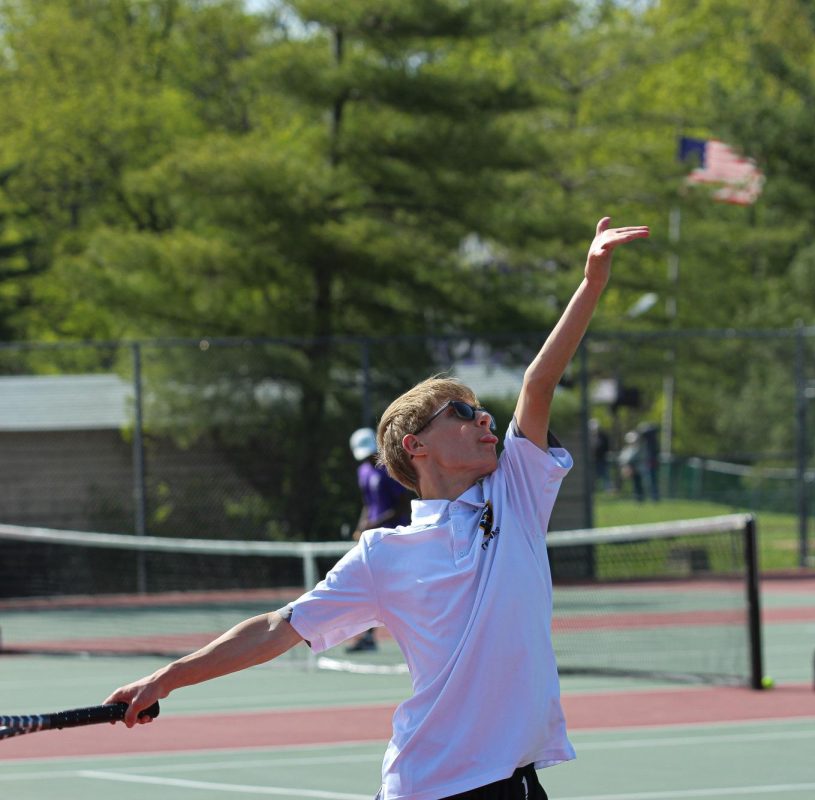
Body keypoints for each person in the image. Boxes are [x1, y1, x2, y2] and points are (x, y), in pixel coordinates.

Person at [104, 217, 650, 800]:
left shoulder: (517, 489)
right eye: (462, 414)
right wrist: (170, 676)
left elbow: (537, 385)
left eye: (482, 410)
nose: (484, 418)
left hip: (516, 783)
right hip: (429, 788)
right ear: (416, 446)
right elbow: (275, 628)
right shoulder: (382, 555)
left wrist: (591, 283)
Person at [345, 426, 413, 652]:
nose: (367, 458)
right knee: (369, 586)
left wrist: (373, 526)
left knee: (397, 588)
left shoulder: (388, 469)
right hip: (372, 540)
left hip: (393, 537)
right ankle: (368, 635)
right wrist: (361, 527)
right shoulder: (362, 472)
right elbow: (367, 504)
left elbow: (403, 505)